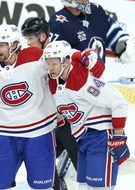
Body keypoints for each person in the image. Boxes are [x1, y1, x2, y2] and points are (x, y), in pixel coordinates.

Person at [0, 24, 102, 190]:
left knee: (42, 187)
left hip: (39, 133)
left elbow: (59, 54)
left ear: (14, 45)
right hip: (5, 134)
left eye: (2, 45)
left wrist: (83, 55)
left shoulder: (34, 56)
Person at [43, 40, 130, 190]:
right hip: (83, 139)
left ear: (66, 62)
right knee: (83, 186)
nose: (50, 68)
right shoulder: (54, 81)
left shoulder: (82, 79)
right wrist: (81, 55)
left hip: (101, 136)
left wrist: (118, 137)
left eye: (54, 64)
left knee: (99, 188)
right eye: (48, 64)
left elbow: (119, 103)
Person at [21, 17, 78, 190]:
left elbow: (76, 55)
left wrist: (86, 56)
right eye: (27, 39)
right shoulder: (33, 57)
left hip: (68, 122)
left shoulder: (59, 52)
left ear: (43, 36)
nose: (28, 43)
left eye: (31, 38)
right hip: (48, 122)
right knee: (44, 159)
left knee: (81, 162)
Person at [48, 0, 135, 64]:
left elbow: (111, 33)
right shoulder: (58, 23)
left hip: (99, 76)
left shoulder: (95, 10)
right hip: (75, 77)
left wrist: (125, 43)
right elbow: (54, 59)